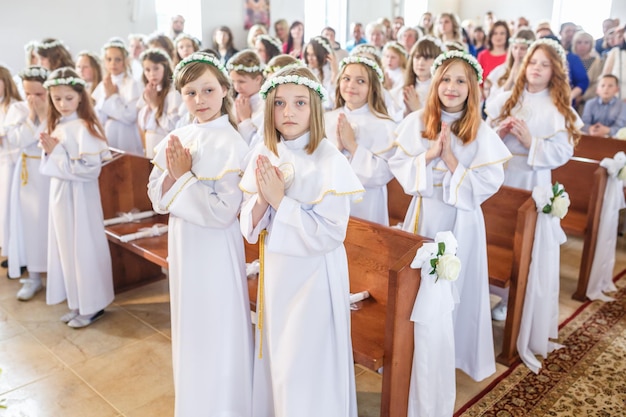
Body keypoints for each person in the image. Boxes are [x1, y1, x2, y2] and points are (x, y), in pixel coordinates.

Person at [239, 65, 363, 417]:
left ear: (315, 108)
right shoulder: (267, 151)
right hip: (278, 274)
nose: (288, 112)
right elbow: (249, 228)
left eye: (299, 103)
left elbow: (329, 234)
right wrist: (263, 199)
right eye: (279, 103)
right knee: (280, 357)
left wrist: (281, 200)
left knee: (304, 359)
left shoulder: (329, 160)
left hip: (313, 280)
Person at [389, 50, 510, 382]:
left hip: (462, 221)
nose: (452, 87)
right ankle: (418, 350)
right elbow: (398, 165)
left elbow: (487, 184)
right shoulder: (416, 123)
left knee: (458, 284)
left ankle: (455, 353)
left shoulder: (481, 132)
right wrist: (430, 154)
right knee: (420, 285)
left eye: (460, 81)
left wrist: (453, 161)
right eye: (445, 79)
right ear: (435, 83)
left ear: (472, 87)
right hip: (426, 212)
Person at [147, 52, 252, 417]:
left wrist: (186, 177)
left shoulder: (235, 144)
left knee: (217, 321)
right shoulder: (179, 135)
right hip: (185, 242)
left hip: (215, 248)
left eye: (208, 90)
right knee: (191, 320)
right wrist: (175, 175)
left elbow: (223, 212)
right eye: (190, 92)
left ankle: (225, 404)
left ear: (225, 90)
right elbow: (157, 197)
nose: (200, 100)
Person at [486, 38, 582, 320]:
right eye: (533, 62)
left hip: (531, 180)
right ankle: (492, 291)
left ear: (555, 72)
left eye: (545, 64)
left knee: (522, 241)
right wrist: (499, 135)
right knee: (496, 236)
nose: (537, 69)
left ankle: (515, 300)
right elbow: (484, 141)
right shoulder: (508, 99)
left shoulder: (557, 108)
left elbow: (563, 151)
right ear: (523, 65)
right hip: (500, 177)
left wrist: (532, 142)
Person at [39, 67, 113, 328]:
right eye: (57, 99)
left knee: (83, 247)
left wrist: (56, 154)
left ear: (80, 96)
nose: (62, 104)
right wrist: (52, 154)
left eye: (68, 98)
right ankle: (78, 301)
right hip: (61, 196)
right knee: (66, 248)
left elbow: (89, 171)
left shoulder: (85, 127)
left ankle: (93, 304)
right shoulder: (59, 124)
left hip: (80, 198)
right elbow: (50, 163)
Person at [324, 55, 395, 225]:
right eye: (346, 78)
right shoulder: (326, 119)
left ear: (372, 88)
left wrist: (353, 146)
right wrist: (338, 149)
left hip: (366, 202)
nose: (351, 85)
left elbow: (382, 174)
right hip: (329, 199)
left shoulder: (384, 125)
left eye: (361, 81)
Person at [3, 66, 51, 301]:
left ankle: (56, 273)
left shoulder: (56, 110)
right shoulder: (19, 110)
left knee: (49, 224)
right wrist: (32, 119)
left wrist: (42, 117)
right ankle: (33, 276)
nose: (32, 99)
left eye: (38, 94)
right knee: (30, 225)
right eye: (28, 93)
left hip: (50, 176)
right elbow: (13, 140)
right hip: (26, 176)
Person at [92, 38, 143, 154]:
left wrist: (112, 96)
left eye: (118, 59)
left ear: (125, 61)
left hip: (126, 134)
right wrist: (106, 98)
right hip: (108, 132)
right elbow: (99, 117)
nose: (113, 63)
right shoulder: (103, 84)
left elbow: (130, 116)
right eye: (109, 59)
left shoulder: (132, 84)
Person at [137, 49, 181, 158]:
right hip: (150, 146)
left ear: (165, 67)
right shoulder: (147, 91)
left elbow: (172, 126)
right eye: (147, 70)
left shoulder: (173, 92)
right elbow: (143, 126)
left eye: (156, 68)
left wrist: (154, 105)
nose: (152, 74)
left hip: (166, 145)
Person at [0, 66, 22, 274]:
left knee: (9, 209)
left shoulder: (13, 106)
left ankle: (15, 252)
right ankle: (7, 249)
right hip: (2, 162)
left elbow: (15, 138)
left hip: (10, 163)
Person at [485, 29, 534, 107]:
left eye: (523, 48)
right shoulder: (501, 70)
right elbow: (491, 102)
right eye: (515, 47)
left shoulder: (534, 73)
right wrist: (511, 77)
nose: (518, 52)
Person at [227, 50, 265, 145]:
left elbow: (256, 143)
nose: (236, 87)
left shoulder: (265, 104)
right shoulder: (240, 98)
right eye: (234, 81)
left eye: (241, 82)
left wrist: (245, 119)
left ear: (258, 79)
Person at [401, 36, 444, 117]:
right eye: (417, 57)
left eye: (427, 58)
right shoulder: (406, 87)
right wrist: (407, 110)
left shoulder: (442, 90)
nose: (420, 63)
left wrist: (416, 108)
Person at [572, 31, 604, 112]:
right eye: (579, 42)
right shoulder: (569, 60)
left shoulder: (597, 62)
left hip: (587, 104)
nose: (582, 45)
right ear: (574, 44)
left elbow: (597, 83)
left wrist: (582, 97)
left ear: (591, 45)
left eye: (586, 42)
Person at [304, 36, 338, 107]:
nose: (310, 58)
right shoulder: (305, 69)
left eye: (313, 55)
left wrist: (334, 73)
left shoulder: (329, 71)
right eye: (308, 54)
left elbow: (332, 102)